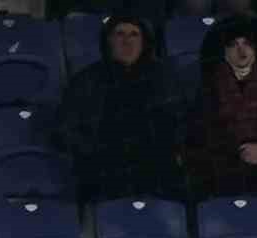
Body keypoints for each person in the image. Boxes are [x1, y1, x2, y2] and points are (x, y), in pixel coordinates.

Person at [55, 15, 184, 203]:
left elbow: (181, 121)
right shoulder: (87, 80)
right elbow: (64, 128)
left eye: (134, 35)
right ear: (108, 41)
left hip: (155, 170)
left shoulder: (164, 78)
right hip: (103, 169)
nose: (127, 41)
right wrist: (93, 153)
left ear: (144, 42)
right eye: (119, 34)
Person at [187, 18, 257, 199]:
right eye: (234, 45)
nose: (242, 51)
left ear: (256, 48)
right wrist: (240, 150)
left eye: (247, 44)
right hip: (224, 157)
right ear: (224, 51)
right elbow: (203, 129)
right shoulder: (208, 86)